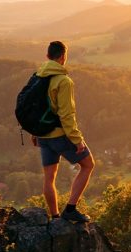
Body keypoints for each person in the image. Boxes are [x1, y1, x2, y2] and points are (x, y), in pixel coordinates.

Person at [31, 41, 93, 222]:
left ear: (47, 57)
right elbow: (67, 115)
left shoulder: (38, 76)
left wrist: (35, 132)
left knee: (49, 178)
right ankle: (70, 209)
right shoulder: (63, 81)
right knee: (88, 165)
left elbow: (36, 108)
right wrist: (77, 140)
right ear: (63, 57)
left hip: (42, 134)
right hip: (59, 135)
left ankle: (55, 217)